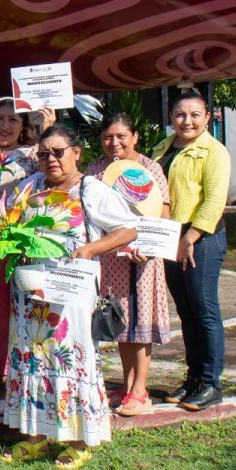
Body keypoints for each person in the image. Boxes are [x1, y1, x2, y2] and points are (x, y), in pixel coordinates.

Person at [2, 125, 138, 470]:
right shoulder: (30, 187)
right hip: (31, 291)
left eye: (58, 152)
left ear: (77, 152)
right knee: (32, 358)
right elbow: (3, 221)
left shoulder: (90, 189)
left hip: (72, 293)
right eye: (43, 154)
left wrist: (91, 248)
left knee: (70, 359)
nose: (51, 159)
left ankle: (79, 440)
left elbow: (128, 229)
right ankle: (35, 435)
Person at [84, 113, 172, 417]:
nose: (115, 143)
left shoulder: (149, 168)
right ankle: (125, 385)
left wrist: (147, 247)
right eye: (108, 137)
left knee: (141, 322)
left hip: (142, 259)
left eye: (121, 136)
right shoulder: (96, 170)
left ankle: (140, 390)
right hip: (111, 258)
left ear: (135, 137)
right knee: (121, 321)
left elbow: (162, 211)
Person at [0, 96, 55, 418]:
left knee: (18, 313)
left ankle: (20, 386)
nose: (5, 126)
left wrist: (48, 128)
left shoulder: (35, 156)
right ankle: (1, 383)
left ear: (23, 126)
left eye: (13, 120)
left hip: (18, 247)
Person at [151, 89, 232, 411]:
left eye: (195, 115)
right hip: (171, 236)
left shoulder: (214, 151)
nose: (187, 121)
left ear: (207, 117)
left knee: (204, 310)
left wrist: (191, 237)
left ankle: (211, 382)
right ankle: (194, 377)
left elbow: (214, 200)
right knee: (186, 311)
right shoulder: (163, 147)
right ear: (171, 117)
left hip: (201, 239)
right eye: (180, 115)